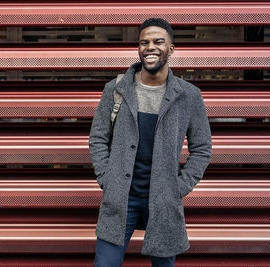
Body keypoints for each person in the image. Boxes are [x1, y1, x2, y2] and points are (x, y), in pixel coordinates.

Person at [89, 18, 212, 267]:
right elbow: (98, 139)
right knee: (105, 264)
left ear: (171, 49)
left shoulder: (188, 96)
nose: (150, 47)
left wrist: (179, 187)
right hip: (122, 197)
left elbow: (202, 148)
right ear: (138, 48)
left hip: (164, 199)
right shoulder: (115, 89)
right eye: (144, 42)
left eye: (158, 42)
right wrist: (107, 178)